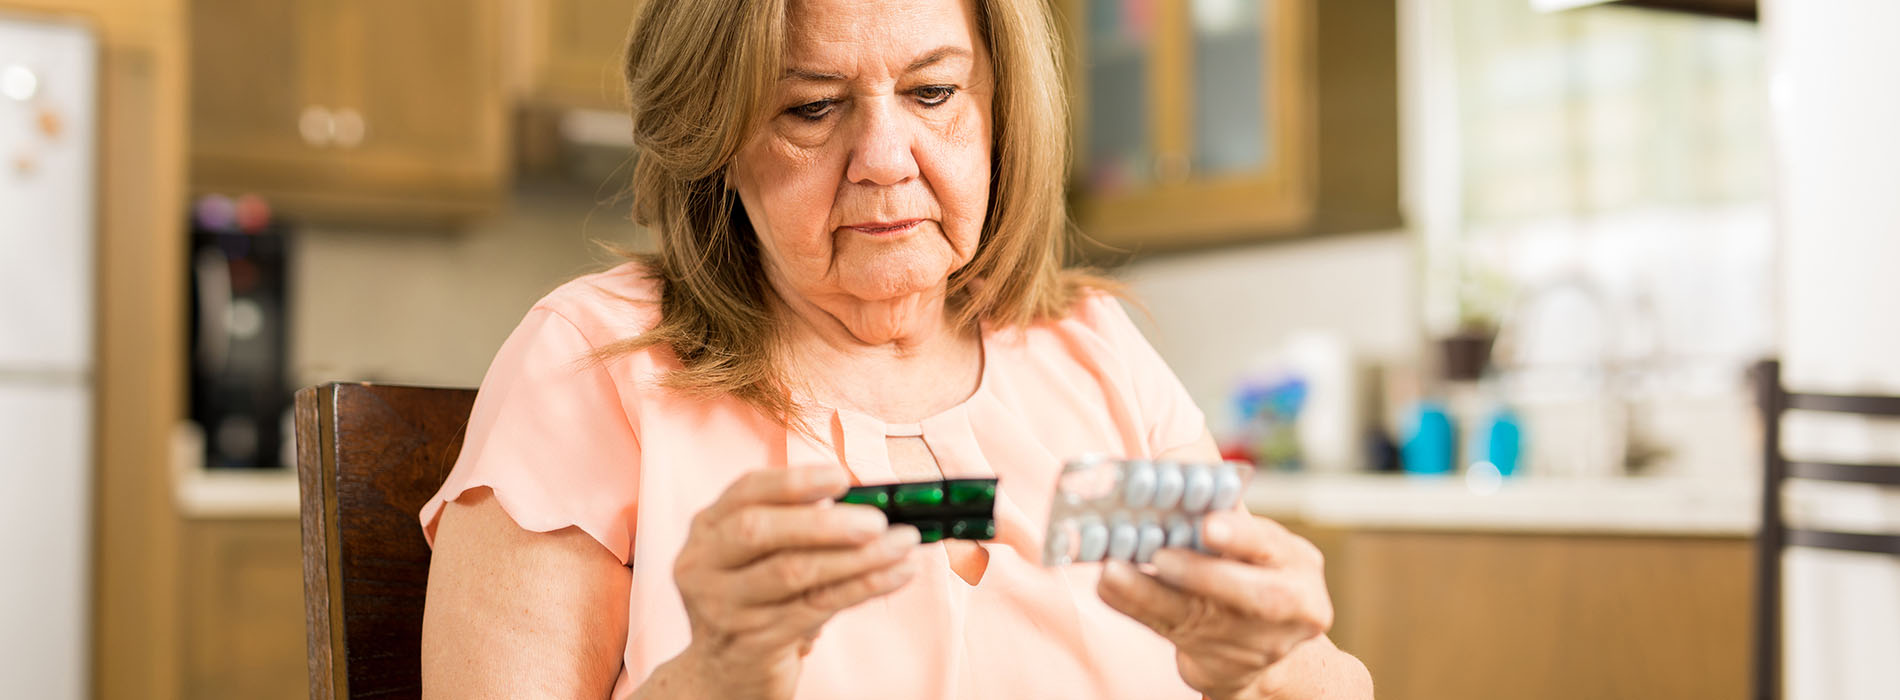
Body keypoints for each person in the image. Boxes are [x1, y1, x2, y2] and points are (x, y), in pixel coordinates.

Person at [417, 0, 1375, 697]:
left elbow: (1285, 663)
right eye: (811, 107)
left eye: (933, 91)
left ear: (1002, 107)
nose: (885, 155)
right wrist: (712, 679)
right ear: (717, 137)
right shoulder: (592, 367)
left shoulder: (1096, 359)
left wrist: (1275, 670)